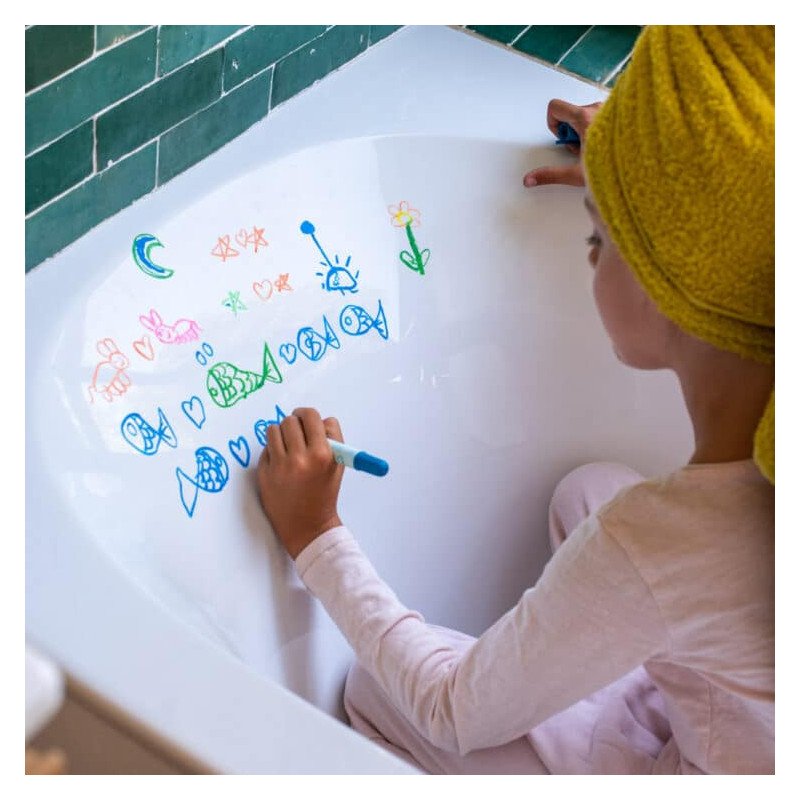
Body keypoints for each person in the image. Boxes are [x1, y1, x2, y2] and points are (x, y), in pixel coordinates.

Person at [255, 25, 774, 774]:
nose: (589, 254)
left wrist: (316, 536)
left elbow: (451, 710)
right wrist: (642, 169)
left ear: (664, 284)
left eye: (598, 239)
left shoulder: (669, 542)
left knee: (374, 689)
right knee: (589, 489)